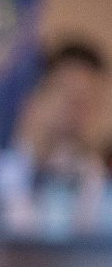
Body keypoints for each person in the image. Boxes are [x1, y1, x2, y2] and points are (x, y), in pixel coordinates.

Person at [15, 37, 109, 170]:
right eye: (66, 92)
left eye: (88, 98)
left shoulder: (102, 184)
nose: (76, 107)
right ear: (33, 98)